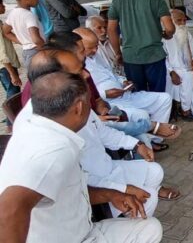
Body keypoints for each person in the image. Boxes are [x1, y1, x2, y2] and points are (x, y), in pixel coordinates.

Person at [0, 71, 163, 243]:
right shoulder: (53, 150)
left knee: (150, 228)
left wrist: (111, 194)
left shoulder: (42, 126)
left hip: (81, 229)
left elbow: (71, 183)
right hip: (69, 238)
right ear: (79, 107)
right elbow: (8, 210)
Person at [16, 55, 179, 218]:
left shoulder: (70, 99)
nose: (86, 74)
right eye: (78, 70)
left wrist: (135, 145)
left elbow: (102, 131)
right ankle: (117, 222)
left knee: (155, 172)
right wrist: (119, 190)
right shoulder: (45, 126)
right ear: (55, 78)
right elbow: (79, 180)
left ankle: (129, 217)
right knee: (148, 204)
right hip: (93, 186)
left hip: (105, 168)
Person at [72, 29, 180, 150]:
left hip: (124, 94)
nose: (95, 50)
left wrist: (123, 81)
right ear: (78, 48)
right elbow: (87, 95)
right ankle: (146, 145)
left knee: (164, 99)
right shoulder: (76, 66)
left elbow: (112, 73)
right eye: (90, 48)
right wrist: (105, 94)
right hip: (111, 103)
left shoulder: (97, 55)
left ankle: (154, 137)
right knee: (141, 115)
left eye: (96, 46)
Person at [108, 0, 175, 93]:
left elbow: (111, 30)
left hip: (131, 57)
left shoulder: (118, 0)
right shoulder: (157, 0)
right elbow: (170, 28)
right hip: (154, 55)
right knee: (158, 94)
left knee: (138, 94)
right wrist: (167, 35)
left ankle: (143, 113)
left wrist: (118, 53)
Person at [164, 9, 193, 121]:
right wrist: (171, 72)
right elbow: (163, 58)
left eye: (184, 20)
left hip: (187, 68)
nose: (182, 23)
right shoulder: (165, 36)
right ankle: (185, 110)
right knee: (188, 77)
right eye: (179, 20)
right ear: (171, 21)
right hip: (173, 70)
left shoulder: (186, 33)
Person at [3, 0, 44, 65]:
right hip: (37, 52)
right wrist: (45, 50)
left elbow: (5, 31)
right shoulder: (29, 15)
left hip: (27, 53)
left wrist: (23, 42)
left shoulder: (12, 14)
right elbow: (36, 39)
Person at [0, 0, 21, 103]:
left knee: (10, 91)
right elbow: (2, 53)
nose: (4, 6)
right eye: (2, 5)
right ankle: (11, 119)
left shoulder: (0, 23)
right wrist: (13, 74)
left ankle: (10, 116)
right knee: (14, 95)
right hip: (6, 67)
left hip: (4, 67)